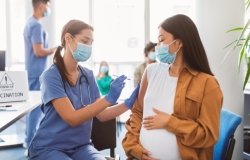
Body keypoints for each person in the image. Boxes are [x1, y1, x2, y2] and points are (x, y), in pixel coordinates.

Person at [28, 19, 139, 160]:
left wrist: (128, 104)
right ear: (68, 38)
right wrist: (108, 98)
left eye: (91, 43)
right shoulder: (51, 76)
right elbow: (72, 118)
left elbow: (102, 114)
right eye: (85, 41)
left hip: (81, 146)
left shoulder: (88, 75)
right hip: (50, 147)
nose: (88, 47)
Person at [122, 14, 223, 160]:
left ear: (179, 42)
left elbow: (208, 136)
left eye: (162, 40)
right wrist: (134, 148)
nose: (157, 46)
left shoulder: (208, 83)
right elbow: (137, 113)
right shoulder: (150, 72)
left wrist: (170, 122)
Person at [23, 0, 56, 151]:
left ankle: (29, 143)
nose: (48, 8)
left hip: (32, 72)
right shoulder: (36, 25)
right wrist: (55, 49)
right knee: (35, 111)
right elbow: (38, 51)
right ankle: (32, 146)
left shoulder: (29, 22)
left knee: (33, 111)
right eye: (47, 5)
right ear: (41, 5)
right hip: (37, 73)